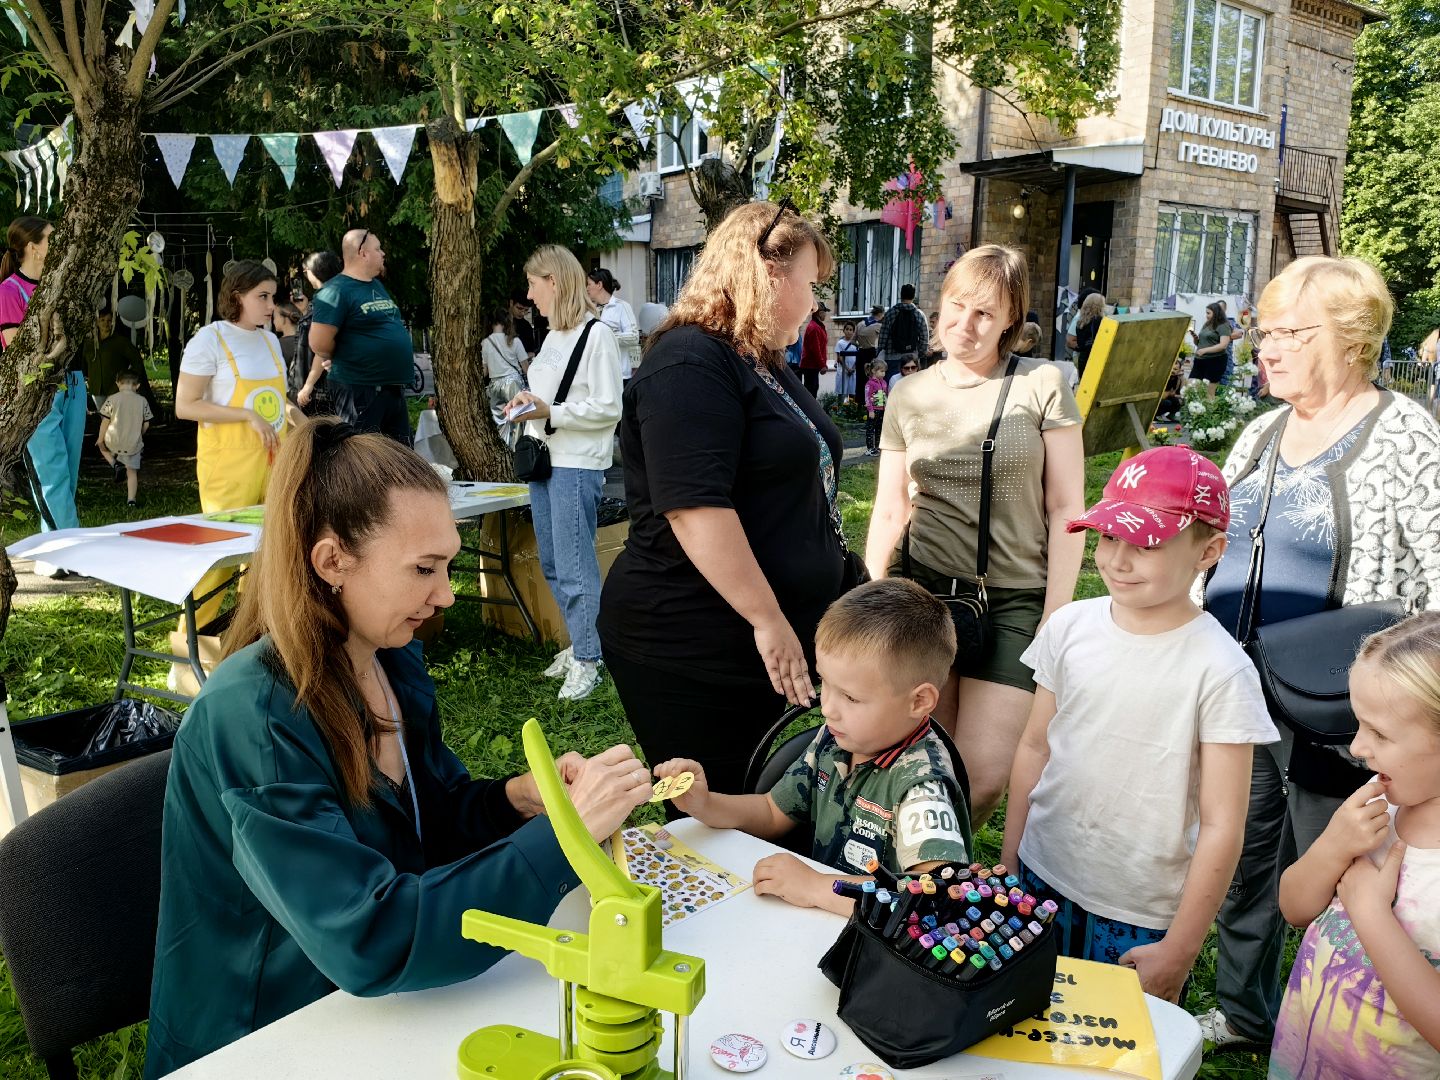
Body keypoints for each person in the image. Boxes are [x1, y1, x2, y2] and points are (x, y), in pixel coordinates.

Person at [143, 419, 654, 1078]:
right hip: (266, 1035)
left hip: (381, 1012)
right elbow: (368, 937)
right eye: (423, 569)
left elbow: (429, 815)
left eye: (447, 566)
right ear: (332, 562)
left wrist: (516, 802)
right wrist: (565, 836)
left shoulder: (390, 657)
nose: (445, 595)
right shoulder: (256, 717)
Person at [1199, 255, 1440, 1050]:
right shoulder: (1263, 431)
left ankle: (1346, 1020)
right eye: (1263, 333)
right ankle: (1243, 1011)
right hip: (1242, 692)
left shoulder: (1403, 434)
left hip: (1345, 712)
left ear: (1351, 337)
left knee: (1338, 865)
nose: (1266, 349)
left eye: (1289, 334)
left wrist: (1412, 697)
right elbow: (1216, 545)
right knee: (1244, 857)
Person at [1001, 447, 1277, 1002]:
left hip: (1139, 912)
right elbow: (1034, 747)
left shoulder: (1221, 670)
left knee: (1115, 1038)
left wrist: (1181, 949)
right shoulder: (1068, 628)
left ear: (1209, 551)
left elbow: (1223, 825)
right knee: (1025, 1020)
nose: (1117, 560)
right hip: (1039, 875)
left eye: (1146, 544)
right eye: (1108, 537)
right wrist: (1009, 863)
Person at [597, 200, 846, 798]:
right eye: (810, 285)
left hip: (754, 639)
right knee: (716, 813)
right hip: (691, 644)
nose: (814, 304)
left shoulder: (757, 360)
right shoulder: (689, 361)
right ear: (768, 275)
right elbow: (694, 507)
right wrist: (768, 618)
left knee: (761, 807)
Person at [865, 244, 1086, 826]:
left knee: (982, 779)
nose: (965, 324)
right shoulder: (909, 393)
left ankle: (935, 863)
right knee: (922, 765)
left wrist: (1055, 615)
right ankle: (908, 872)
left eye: (985, 313)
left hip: (1013, 598)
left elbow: (1067, 505)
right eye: (957, 306)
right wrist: (870, 596)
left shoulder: (1041, 383)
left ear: (1011, 319)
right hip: (922, 594)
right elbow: (890, 507)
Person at [653, 579, 971, 912]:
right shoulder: (834, 740)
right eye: (824, 684)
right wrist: (706, 804)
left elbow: (933, 898)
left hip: (874, 940)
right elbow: (773, 812)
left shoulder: (921, 787)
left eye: (850, 697)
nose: (828, 708)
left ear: (918, 701)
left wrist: (819, 888)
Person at [1268, 612, 1440, 1078]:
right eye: (1359, 723)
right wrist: (1331, 847)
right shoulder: (1380, 804)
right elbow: (1294, 908)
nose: (1358, 747)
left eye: (1380, 733)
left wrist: (1369, 912)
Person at [504, 245, 623, 702]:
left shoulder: (597, 335)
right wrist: (525, 404)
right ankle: (581, 643)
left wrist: (550, 411)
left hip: (575, 463)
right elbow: (549, 396)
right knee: (554, 562)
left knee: (574, 566)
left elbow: (609, 406)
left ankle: (590, 658)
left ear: (553, 281)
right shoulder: (554, 336)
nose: (529, 294)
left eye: (533, 283)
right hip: (545, 457)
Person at [176, 260, 302, 630]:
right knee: (222, 553)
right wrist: (246, 415)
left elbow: (279, 403)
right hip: (229, 465)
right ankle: (190, 641)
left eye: (273, 297)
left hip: (275, 460)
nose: (271, 306)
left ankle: (251, 631)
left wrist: (307, 424)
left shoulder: (270, 341)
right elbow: (185, 405)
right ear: (237, 297)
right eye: (262, 296)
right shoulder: (209, 340)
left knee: (268, 553)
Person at [3, 215, 87, 555]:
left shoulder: (62, 287)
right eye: (52, 238)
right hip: (39, 390)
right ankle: (71, 549)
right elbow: (16, 351)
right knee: (50, 473)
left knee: (68, 470)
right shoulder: (9, 291)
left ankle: (53, 553)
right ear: (33, 247)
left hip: (74, 383)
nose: (59, 244)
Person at [307, 230, 415, 444]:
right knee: (364, 455)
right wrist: (346, 355)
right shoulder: (335, 291)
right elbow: (318, 343)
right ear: (362, 253)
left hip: (391, 389)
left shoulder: (376, 285)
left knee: (401, 456)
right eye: (378, 249)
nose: (383, 253)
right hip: (360, 390)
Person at [295, 250, 343, 416]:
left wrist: (308, 385)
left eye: (305, 271)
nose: (306, 276)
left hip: (326, 386)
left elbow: (322, 350)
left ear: (315, 270)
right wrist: (305, 312)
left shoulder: (326, 298)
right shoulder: (341, 295)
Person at [97, 370, 153, 508]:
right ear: (137, 386)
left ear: (118, 384)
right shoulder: (142, 401)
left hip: (113, 440)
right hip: (133, 443)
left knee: (102, 448)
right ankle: (131, 500)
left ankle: (115, 464)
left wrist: (100, 439)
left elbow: (105, 420)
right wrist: (139, 434)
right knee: (132, 472)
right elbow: (147, 423)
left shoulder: (112, 399)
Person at [586, 267, 641, 384]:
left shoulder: (621, 307)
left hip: (619, 375)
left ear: (599, 285)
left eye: (589, 284)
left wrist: (607, 336)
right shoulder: (589, 312)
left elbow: (634, 337)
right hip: (596, 376)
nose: (587, 288)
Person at [84, 309, 144, 413]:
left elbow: (137, 362)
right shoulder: (89, 343)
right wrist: (88, 379)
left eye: (109, 320)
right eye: (102, 320)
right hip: (96, 389)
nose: (106, 323)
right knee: (104, 418)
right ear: (97, 322)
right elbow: (85, 363)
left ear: (113, 322)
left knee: (117, 418)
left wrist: (129, 381)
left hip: (116, 389)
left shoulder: (121, 342)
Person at [878, 283, 928, 378]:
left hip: (892, 358)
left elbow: (883, 337)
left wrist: (879, 352)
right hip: (912, 360)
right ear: (913, 296)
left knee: (893, 384)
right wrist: (920, 354)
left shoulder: (891, 313)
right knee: (911, 385)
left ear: (900, 295)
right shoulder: (919, 314)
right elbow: (924, 338)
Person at [1189, 301, 1234, 398]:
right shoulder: (1207, 324)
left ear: (1216, 313)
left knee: (1209, 392)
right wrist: (1195, 339)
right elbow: (1200, 343)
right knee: (1192, 386)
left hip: (1215, 361)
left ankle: (1209, 406)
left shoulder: (1223, 325)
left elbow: (1223, 345)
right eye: (1206, 313)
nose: (1206, 315)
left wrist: (1205, 350)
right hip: (1200, 360)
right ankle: (1195, 406)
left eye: (1208, 313)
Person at [1069, 291, 1106, 376]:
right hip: (1095, 359)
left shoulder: (1080, 322)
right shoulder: (1100, 321)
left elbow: (1079, 343)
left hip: (1082, 358)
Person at [799, 301, 829, 397]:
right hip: (810, 366)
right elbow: (816, 349)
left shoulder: (818, 326)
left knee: (813, 389)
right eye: (824, 312)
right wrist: (822, 365)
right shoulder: (814, 328)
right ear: (819, 313)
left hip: (813, 366)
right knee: (811, 392)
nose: (825, 314)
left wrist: (823, 363)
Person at [274, 300, 303, 397]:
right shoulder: (307, 340)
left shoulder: (276, 344)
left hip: (287, 396)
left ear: (284, 319)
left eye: (275, 317)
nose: (273, 321)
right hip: (307, 394)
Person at [863, 359, 888, 456]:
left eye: (884, 371)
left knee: (879, 429)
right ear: (873, 371)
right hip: (873, 410)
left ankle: (878, 447)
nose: (884, 373)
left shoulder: (884, 382)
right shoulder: (870, 384)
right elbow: (867, 397)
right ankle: (870, 448)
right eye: (881, 371)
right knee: (870, 429)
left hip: (882, 410)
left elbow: (886, 395)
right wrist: (870, 410)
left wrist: (887, 407)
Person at [855, 303, 883, 377]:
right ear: (880, 314)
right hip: (871, 353)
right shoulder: (879, 326)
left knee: (860, 378)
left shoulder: (860, 324)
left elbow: (852, 341)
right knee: (871, 377)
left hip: (860, 353)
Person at [834, 320, 859, 402]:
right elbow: (839, 358)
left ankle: (851, 407)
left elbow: (858, 357)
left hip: (853, 371)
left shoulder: (856, 344)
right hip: (843, 371)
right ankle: (843, 406)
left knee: (852, 392)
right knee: (843, 392)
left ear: (853, 332)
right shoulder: (840, 343)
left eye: (851, 330)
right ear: (844, 330)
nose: (849, 331)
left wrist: (853, 368)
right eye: (847, 329)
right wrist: (847, 369)